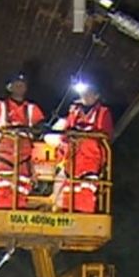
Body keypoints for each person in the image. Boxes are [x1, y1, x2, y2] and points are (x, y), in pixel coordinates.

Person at [0, 73, 46, 209]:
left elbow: (41, 124)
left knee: (22, 183)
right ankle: (4, 208)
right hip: (6, 151)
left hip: (24, 151)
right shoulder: (0, 105)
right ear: (9, 87)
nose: (19, 87)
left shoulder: (31, 108)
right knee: (4, 183)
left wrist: (38, 129)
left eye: (22, 85)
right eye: (16, 84)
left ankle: (20, 208)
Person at [58, 82, 113, 213]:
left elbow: (106, 135)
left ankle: (84, 216)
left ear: (97, 95)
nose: (85, 96)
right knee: (69, 190)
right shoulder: (74, 111)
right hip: (72, 159)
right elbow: (65, 134)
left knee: (86, 189)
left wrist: (83, 135)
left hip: (91, 159)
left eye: (89, 93)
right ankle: (67, 214)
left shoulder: (103, 112)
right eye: (84, 93)